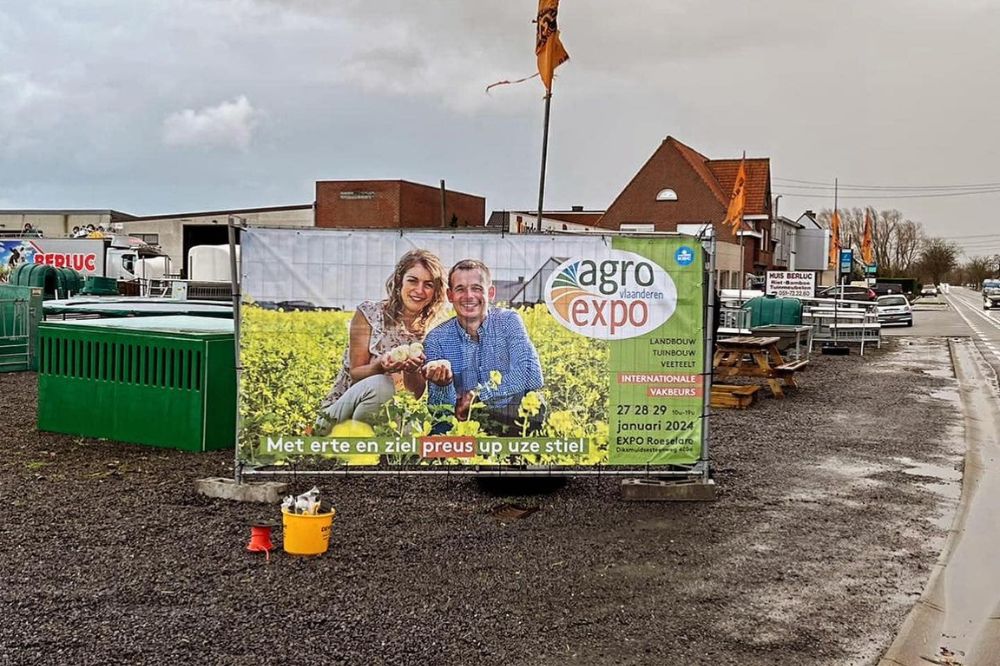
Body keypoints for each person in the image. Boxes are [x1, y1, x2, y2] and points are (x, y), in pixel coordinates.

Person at [314, 249, 448, 433]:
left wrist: (411, 371)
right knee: (382, 385)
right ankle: (349, 450)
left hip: (388, 415)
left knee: (412, 431)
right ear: (400, 281)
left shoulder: (430, 333)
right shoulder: (370, 313)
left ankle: (375, 455)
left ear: (436, 291)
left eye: (428, 284)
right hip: (339, 415)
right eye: (413, 280)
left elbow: (413, 395)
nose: (419, 290)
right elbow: (355, 373)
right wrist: (380, 367)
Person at [422, 259, 544, 433]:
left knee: (536, 403)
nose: (468, 296)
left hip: (506, 416)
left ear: (491, 293)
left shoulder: (508, 321)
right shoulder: (436, 339)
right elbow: (438, 410)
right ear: (450, 295)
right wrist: (444, 384)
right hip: (461, 422)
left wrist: (478, 396)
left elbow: (532, 377)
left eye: (477, 288)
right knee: (439, 432)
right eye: (460, 289)